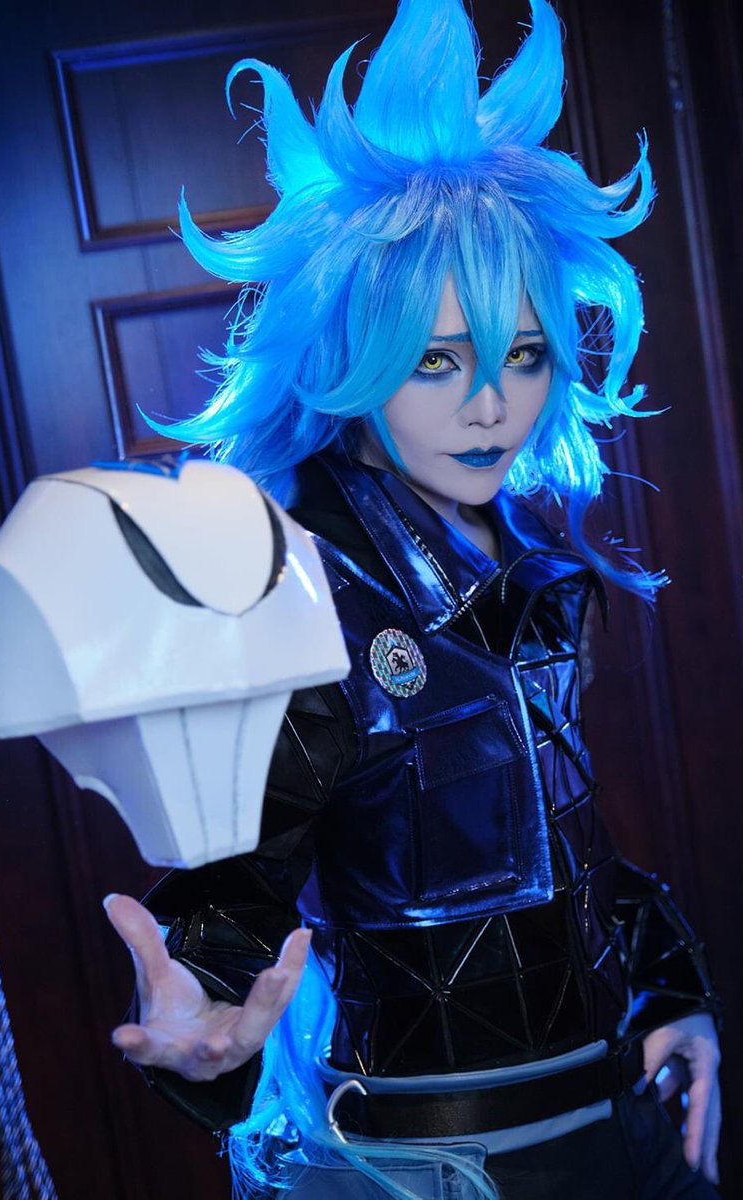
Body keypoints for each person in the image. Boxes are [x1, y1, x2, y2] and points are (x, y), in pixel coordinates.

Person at [103, 0, 722, 1195]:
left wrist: (667, 987)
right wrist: (205, 1019)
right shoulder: (292, 594)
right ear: (354, 358)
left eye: (521, 354)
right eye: (436, 360)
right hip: (431, 1164)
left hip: (615, 1121)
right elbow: (235, 891)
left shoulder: (529, 563)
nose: (489, 405)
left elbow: (551, 835)